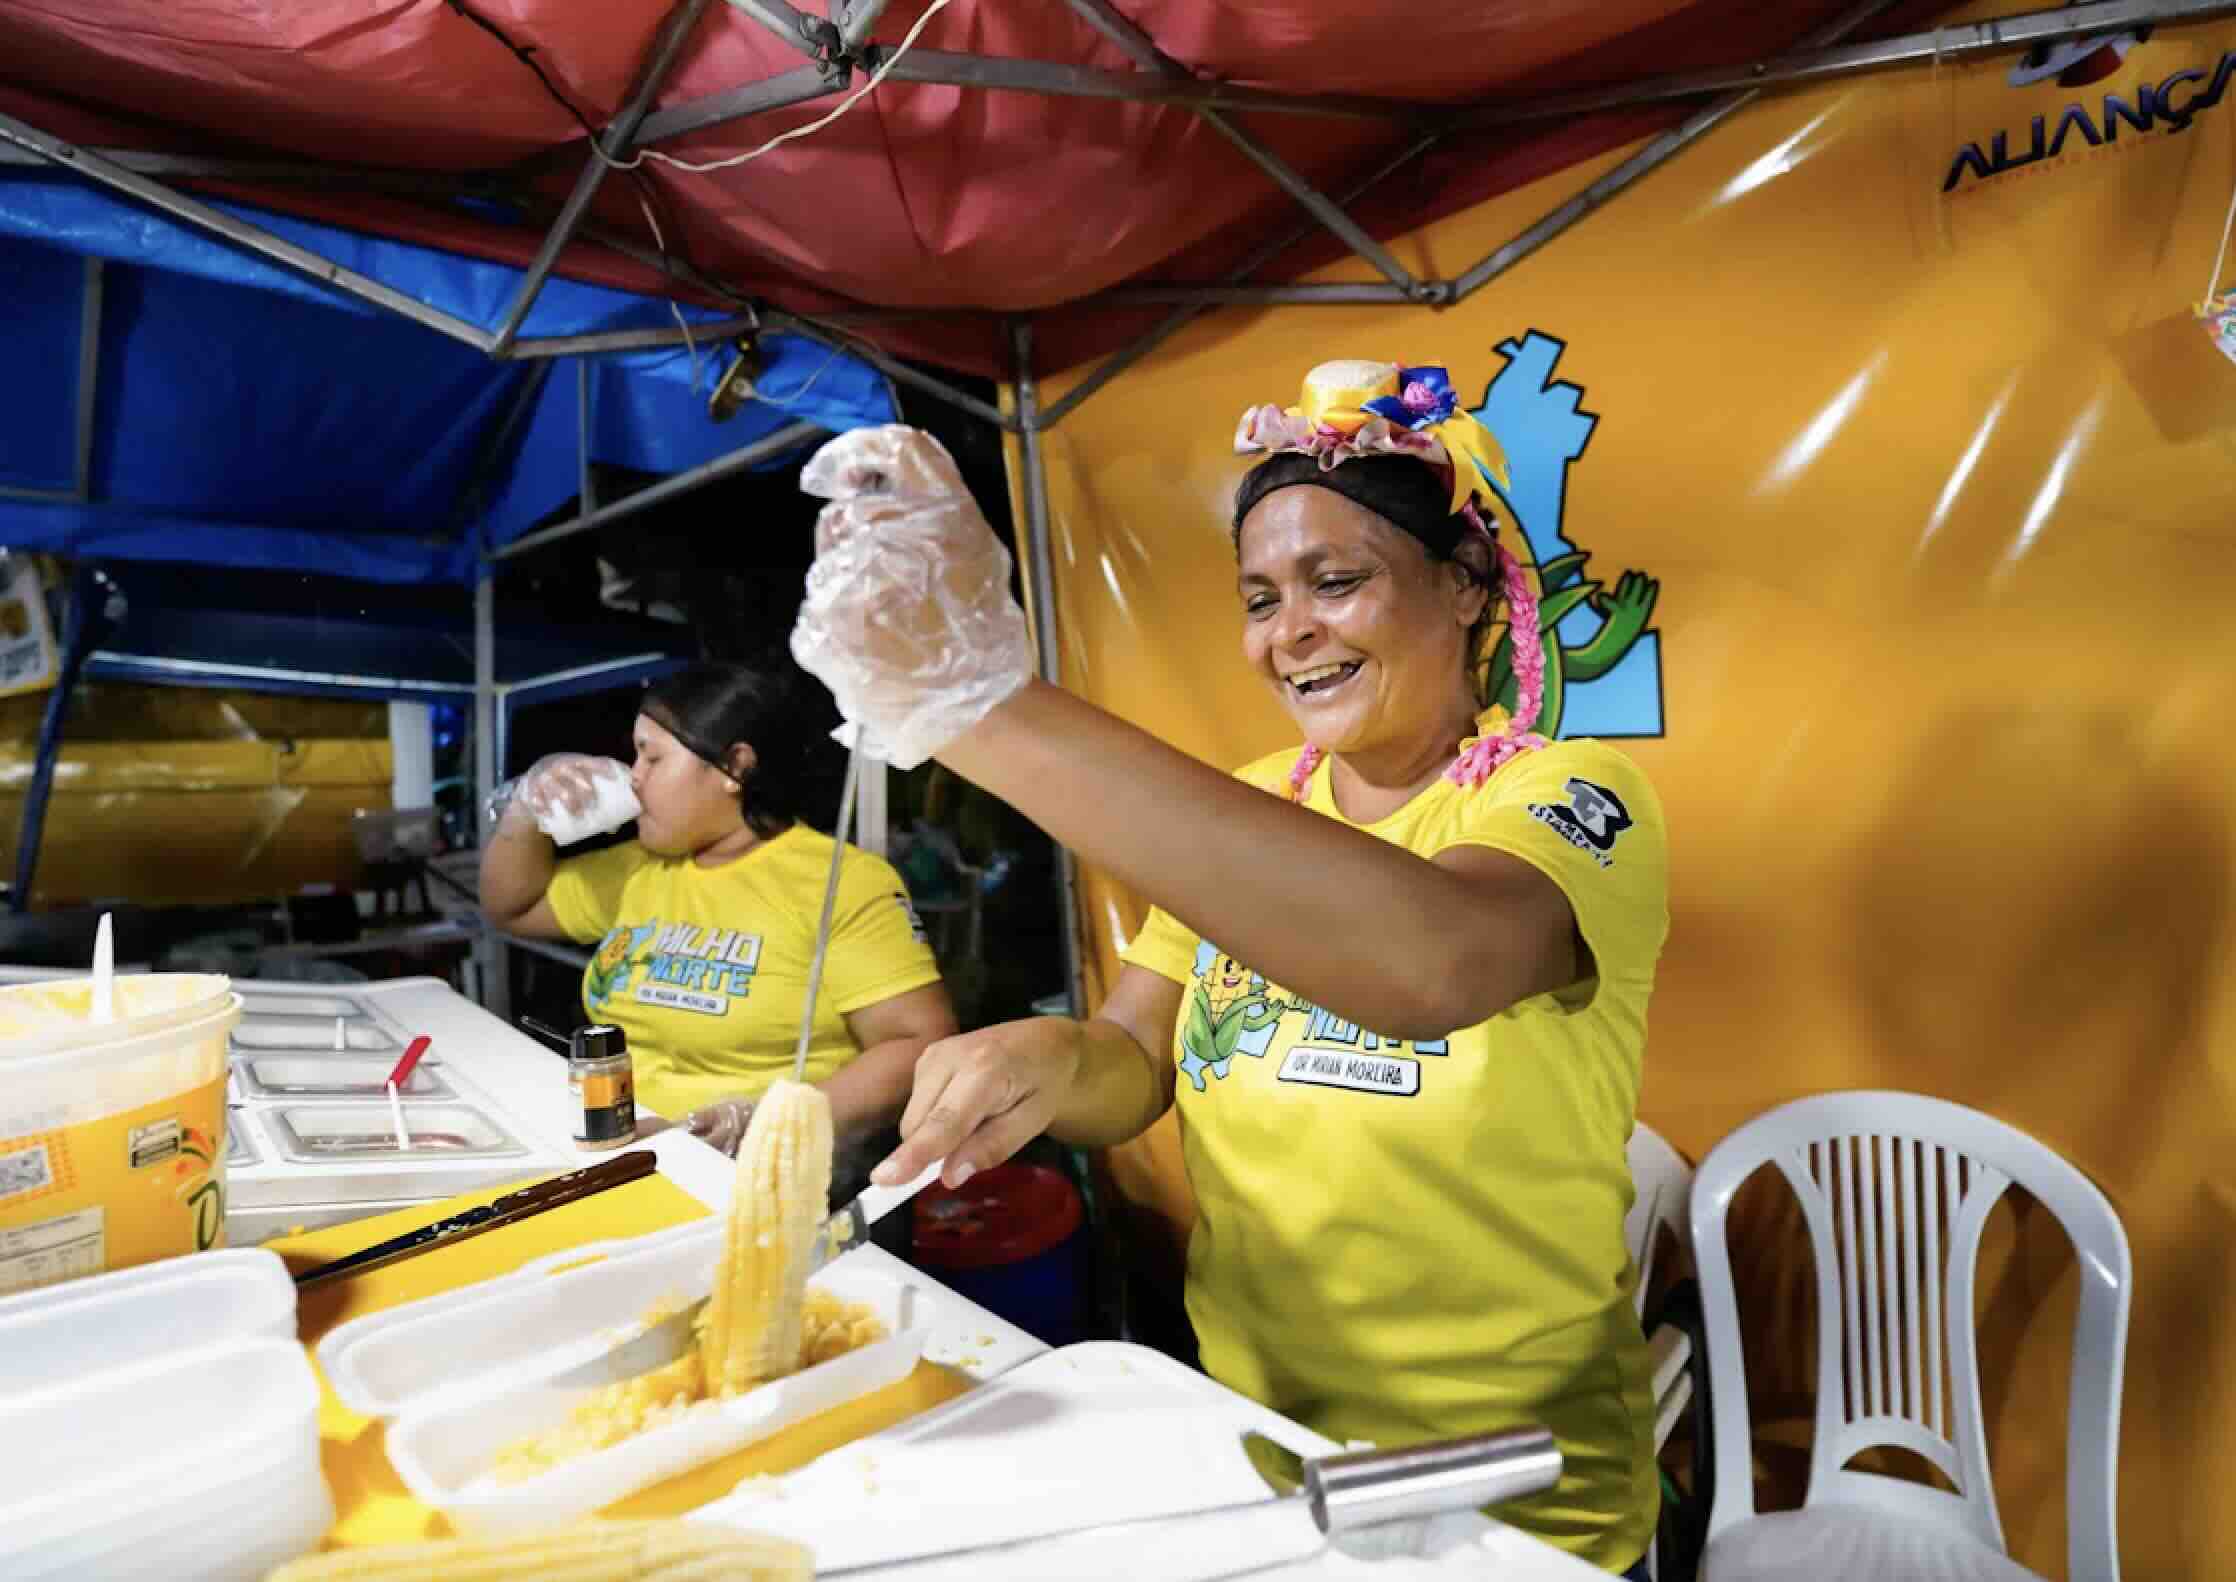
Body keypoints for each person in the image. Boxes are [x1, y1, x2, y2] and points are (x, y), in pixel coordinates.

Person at [787, 364, 1668, 1577]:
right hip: (1257, 1438)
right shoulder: (1260, 807)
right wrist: (1049, 1056)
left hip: (1506, 1481)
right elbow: (1136, 1060)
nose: (1286, 632)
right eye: (1258, 597)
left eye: (1336, 581)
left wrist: (980, 709)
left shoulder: (1566, 798)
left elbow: (1433, 960)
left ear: (1464, 588)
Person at [477, 661, 958, 1163]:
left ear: (735, 768)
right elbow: (512, 907)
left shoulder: (839, 881)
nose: (634, 779)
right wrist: (527, 809)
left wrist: (762, 1120)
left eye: (653, 759)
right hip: (620, 1154)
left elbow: (918, 1043)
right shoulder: (640, 869)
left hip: (762, 1173)